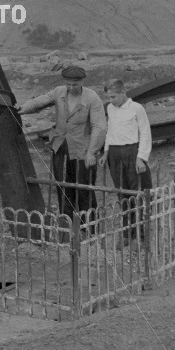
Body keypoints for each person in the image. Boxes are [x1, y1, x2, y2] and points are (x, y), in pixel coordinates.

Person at [19, 65, 106, 222]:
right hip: (60, 148)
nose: (71, 88)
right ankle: (67, 227)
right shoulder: (59, 92)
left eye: (75, 84)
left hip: (83, 151)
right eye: (68, 84)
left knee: (84, 189)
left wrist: (92, 152)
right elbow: (41, 101)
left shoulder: (92, 98)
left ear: (82, 82)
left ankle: (90, 229)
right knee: (63, 188)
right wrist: (22, 108)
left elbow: (99, 127)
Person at [99, 79, 152, 242]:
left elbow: (145, 132)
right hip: (115, 154)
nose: (111, 100)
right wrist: (106, 152)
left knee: (137, 191)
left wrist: (141, 158)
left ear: (123, 93)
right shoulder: (110, 108)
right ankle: (127, 232)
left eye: (113, 96)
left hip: (132, 151)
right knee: (121, 192)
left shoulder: (136, 108)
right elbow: (110, 131)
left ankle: (141, 231)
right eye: (109, 97)